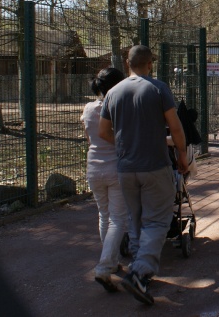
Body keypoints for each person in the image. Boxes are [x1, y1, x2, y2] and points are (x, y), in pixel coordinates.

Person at [99, 45, 189, 305]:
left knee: (134, 219)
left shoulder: (113, 92)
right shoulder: (158, 88)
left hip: (126, 167)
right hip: (154, 165)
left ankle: (138, 272)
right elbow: (176, 127)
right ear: (150, 64)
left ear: (128, 64)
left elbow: (104, 131)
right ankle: (139, 274)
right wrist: (182, 156)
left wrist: (125, 143)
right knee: (158, 221)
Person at [80, 67, 127, 292]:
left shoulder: (88, 108)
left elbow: (90, 138)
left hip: (93, 167)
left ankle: (112, 262)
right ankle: (105, 266)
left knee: (104, 214)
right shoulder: (118, 107)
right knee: (118, 219)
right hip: (115, 168)